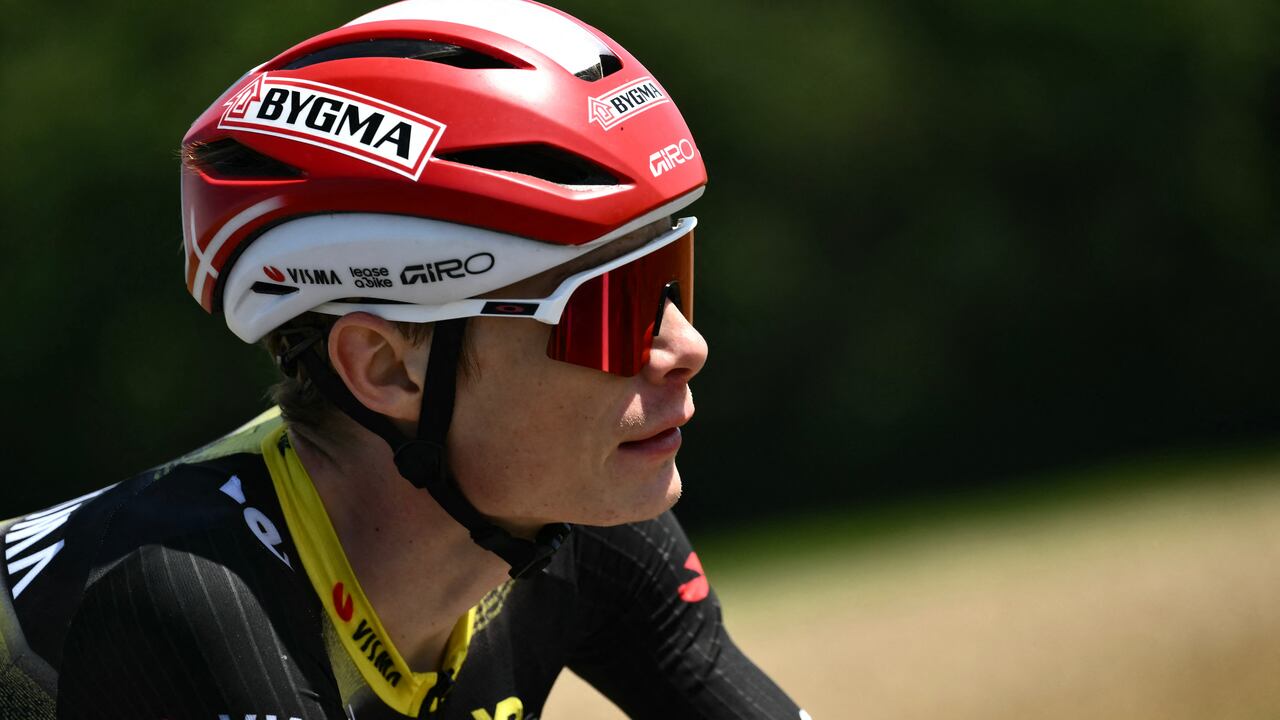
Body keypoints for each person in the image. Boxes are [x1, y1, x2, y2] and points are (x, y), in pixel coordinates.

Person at [0, 1, 808, 718]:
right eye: (614, 306)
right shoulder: (190, 603)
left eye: (675, 279)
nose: (684, 347)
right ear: (387, 369)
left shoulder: (580, 525)